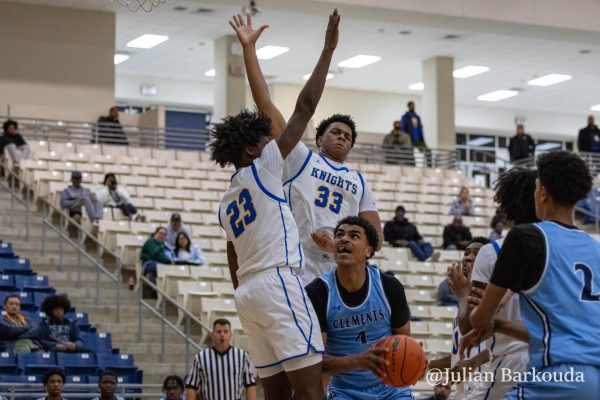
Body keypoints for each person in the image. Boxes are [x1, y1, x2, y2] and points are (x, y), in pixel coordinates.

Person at [213, 10, 339, 400]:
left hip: (248, 293)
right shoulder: (265, 166)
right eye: (264, 138)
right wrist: (328, 50)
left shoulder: (226, 201)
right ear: (252, 148)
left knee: (276, 395)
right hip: (278, 281)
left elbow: (232, 254)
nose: (272, 139)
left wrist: (248, 48)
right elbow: (304, 107)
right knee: (310, 389)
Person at [229, 12, 383, 286]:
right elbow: (265, 102)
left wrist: (336, 246)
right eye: (335, 132)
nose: (342, 137)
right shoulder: (300, 157)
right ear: (319, 138)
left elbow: (376, 239)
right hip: (296, 265)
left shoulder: (359, 181)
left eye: (348, 136)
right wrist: (249, 49)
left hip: (337, 270)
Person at [469, 151, 599, 399]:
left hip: (558, 377)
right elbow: (561, 331)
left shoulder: (526, 237)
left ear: (543, 192)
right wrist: (500, 324)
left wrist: (480, 308)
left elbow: (478, 321)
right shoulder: (595, 247)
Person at [305, 217, 413, 399]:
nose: (344, 239)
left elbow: (403, 345)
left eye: (354, 236)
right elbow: (315, 363)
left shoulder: (390, 287)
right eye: (339, 235)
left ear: (368, 251)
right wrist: (359, 361)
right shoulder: (318, 292)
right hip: (345, 392)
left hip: (392, 390)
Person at [458, 168, 538, 400]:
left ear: (505, 207)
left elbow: (473, 327)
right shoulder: (559, 250)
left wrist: (462, 293)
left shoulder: (492, 251)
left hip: (512, 357)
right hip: (558, 358)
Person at [429, 237, 491, 399]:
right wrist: (426, 365)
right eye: (466, 253)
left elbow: (503, 347)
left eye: (476, 253)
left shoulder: (492, 298)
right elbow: (458, 356)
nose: (468, 257)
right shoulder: (461, 307)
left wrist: (474, 362)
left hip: (488, 385)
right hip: (465, 390)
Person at [185, 319, 256, 400]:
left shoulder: (242, 356)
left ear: (230, 335)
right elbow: (191, 386)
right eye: (219, 332)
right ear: (212, 335)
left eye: (226, 332)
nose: (222, 335)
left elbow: (250, 385)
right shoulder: (201, 357)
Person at [400, 101, 431, 167]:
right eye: (411, 105)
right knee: (410, 154)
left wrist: (422, 138)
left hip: (419, 139)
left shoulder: (417, 117)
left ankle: (429, 167)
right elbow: (402, 128)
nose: (413, 107)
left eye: (413, 105)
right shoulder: (405, 117)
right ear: (408, 106)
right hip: (410, 139)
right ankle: (413, 167)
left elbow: (420, 128)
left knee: (428, 151)